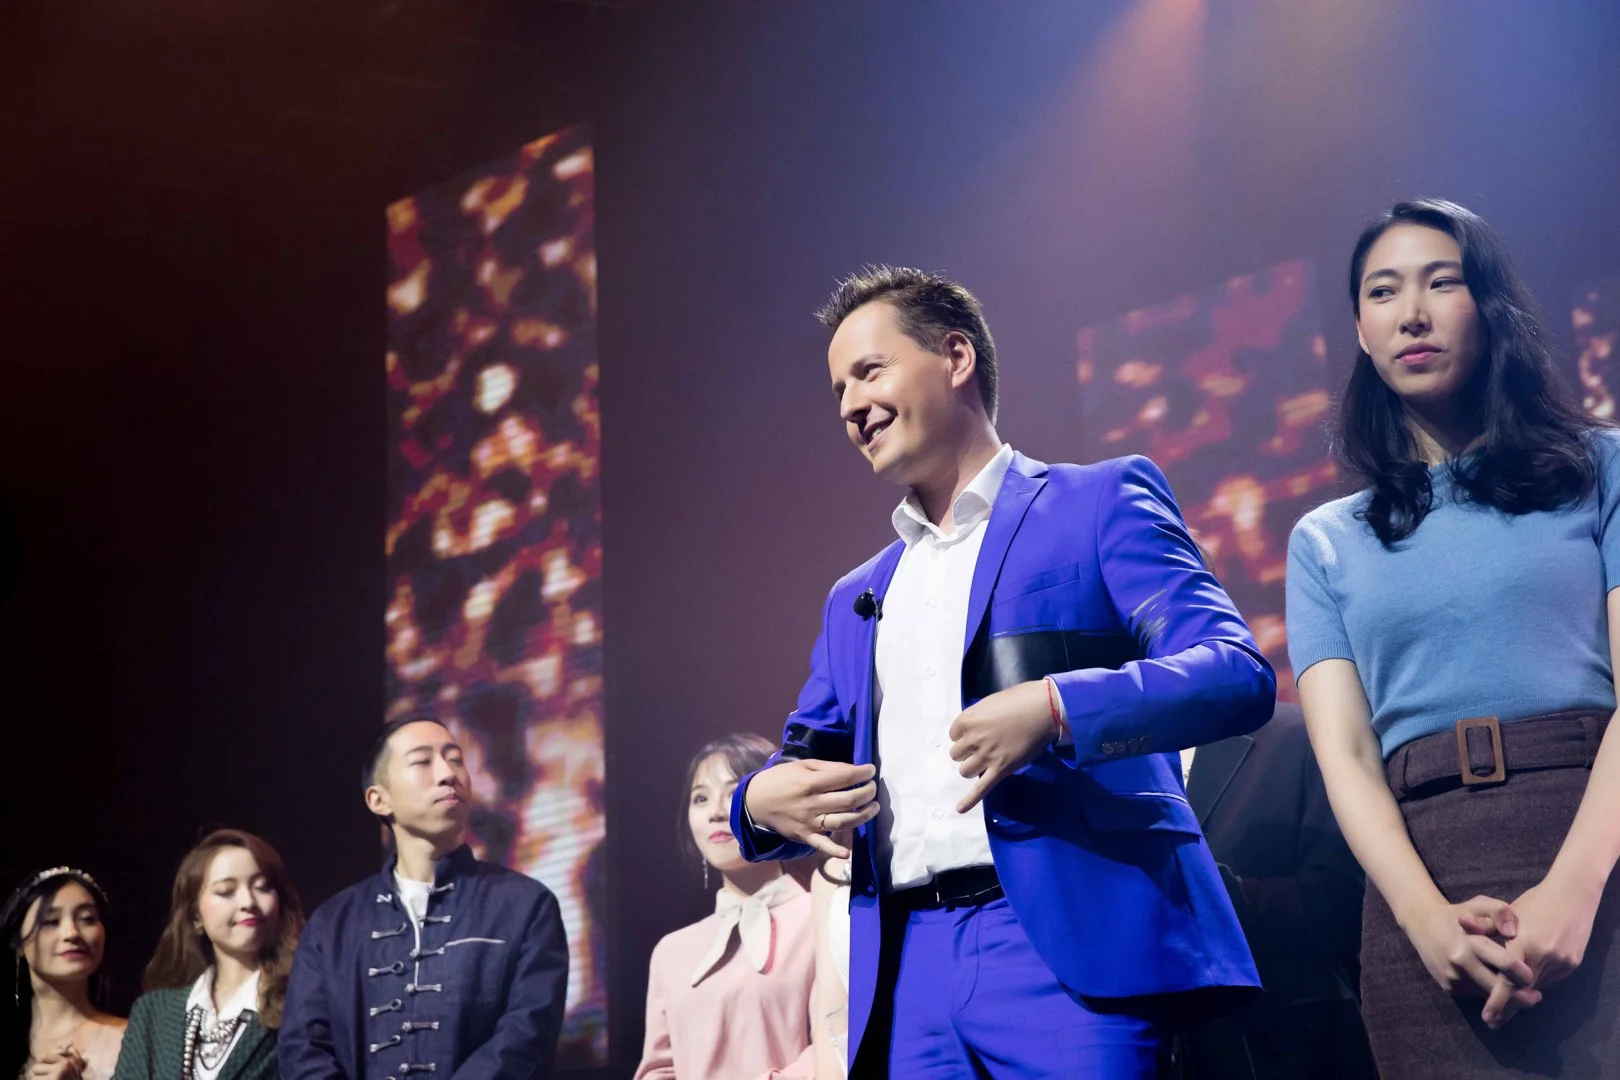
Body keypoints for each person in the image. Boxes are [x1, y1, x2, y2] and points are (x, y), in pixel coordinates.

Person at [733, 266, 1276, 1077]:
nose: (848, 406)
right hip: (904, 964)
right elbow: (799, 763)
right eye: (838, 387)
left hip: (1068, 946)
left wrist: (1059, 706)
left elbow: (1235, 673)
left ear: (955, 358)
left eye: (869, 372)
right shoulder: (858, 595)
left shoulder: (1099, 502)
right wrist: (757, 800)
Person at [1287, 197, 1620, 1078]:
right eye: (1383, 292)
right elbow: (1348, 758)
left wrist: (1575, 894)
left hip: (1596, 841)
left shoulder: (1600, 470)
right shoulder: (1326, 540)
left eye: (1443, 281)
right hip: (1422, 886)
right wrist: (1426, 921)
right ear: (1360, 329)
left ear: (1492, 303)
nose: (1413, 313)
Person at [278, 717, 569, 1080]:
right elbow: (303, 1048)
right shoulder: (333, 923)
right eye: (422, 761)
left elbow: (527, 1033)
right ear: (379, 799)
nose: (448, 773)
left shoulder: (525, 905)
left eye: (456, 759)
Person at [1174, 702, 1375, 1080]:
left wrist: (1226, 897)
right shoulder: (1101, 764)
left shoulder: (1297, 734)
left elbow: (1346, 904)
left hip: (1281, 1049)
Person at [634, 734, 815, 1080]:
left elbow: (835, 1044)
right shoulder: (671, 952)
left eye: (733, 793)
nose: (717, 812)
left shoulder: (820, 919)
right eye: (700, 798)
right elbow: (659, 1069)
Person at [113, 830, 304, 1080]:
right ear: (195, 917)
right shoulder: (153, 1013)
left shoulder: (301, 999)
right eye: (226, 891)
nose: (248, 901)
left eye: (262, 887)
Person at [1, 869, 125, 1080]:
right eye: (51, 921)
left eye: (87, 918)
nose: (72, 933)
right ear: (18, 941)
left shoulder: (133, 1040)